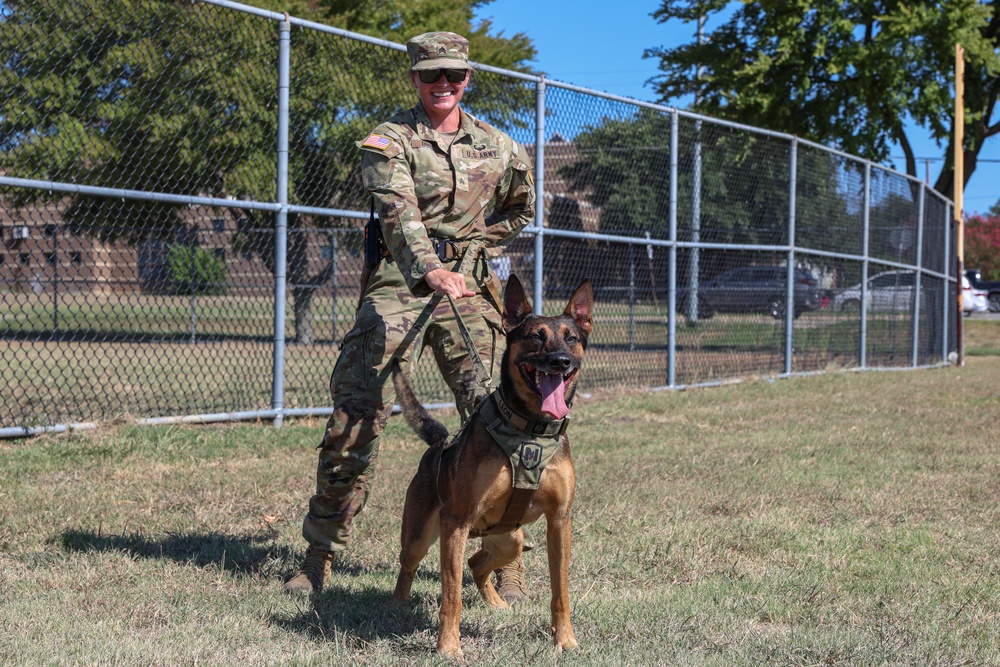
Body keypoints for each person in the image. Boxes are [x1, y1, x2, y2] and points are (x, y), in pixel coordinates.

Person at [284, 31, 537, 602]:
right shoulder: (389, 141)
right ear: (414, 79)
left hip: (472, 290)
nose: (443, 85)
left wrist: (475, 247)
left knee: (503, 417)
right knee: (356, 414)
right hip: (402, 281)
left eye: (454, 75)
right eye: (431, 76)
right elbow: (397, 216)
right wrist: (431, 268)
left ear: (468, 79)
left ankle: (506, 558)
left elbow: (524, 203)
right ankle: (320, 555)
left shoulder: (499, 145)